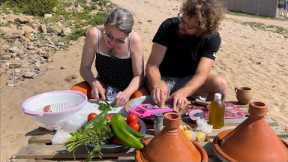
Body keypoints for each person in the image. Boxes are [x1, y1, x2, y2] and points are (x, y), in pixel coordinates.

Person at [146, 0, 228, 109]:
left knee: (220, 84)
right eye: (183, 20)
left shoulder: (212, 38)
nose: (182, 26)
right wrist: (157, 83)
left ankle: (207, 117)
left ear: (202, 30)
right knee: (161, 96)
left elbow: (201, 74)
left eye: (189, 27)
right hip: (164, 77)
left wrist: (184, 91)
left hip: (189, 79)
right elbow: (152, 65)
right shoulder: (169, 26)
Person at [78, 8, 144, 106]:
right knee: (76, 92)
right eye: (109, 35)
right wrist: (94, 83)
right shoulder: (94, 35)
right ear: (105, 26)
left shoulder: (133, 41)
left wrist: (126, 93)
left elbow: (139, 76)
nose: (112, 43)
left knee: (141, 105)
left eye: (120, 40)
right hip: (103, 84)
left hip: (129, 88)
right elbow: (84, 68)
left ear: (127, 35)